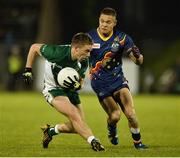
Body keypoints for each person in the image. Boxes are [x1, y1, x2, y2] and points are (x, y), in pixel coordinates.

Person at [22, 32, 105, 151]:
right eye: (87, 51)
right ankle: (93, 141)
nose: (89, 54)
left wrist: (78, 86)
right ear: (76, 48)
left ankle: (50, 131)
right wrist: (28, 70)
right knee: (74, 115)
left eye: (90, 51)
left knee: (78, 124)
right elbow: (34, 47)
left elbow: (81, 81)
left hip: (70, 90)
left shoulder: (83, 61)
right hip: (53, 89)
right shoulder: (57, 52)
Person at [88, 7, 148, 149]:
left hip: (118, 80)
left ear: (114, 23)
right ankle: (111, 128)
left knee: (131, 114)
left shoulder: (122, 38)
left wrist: (137, 56)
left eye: (108, 22)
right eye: (102, 21)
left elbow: (138, 61)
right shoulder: (89, 37)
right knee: (115, 116)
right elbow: (79, 57)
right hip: (100, 83)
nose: (104, 24)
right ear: (99, 20)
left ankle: (138, 143)